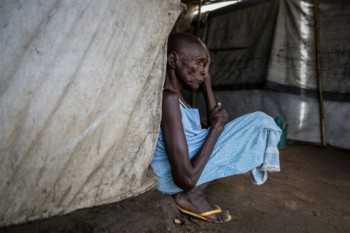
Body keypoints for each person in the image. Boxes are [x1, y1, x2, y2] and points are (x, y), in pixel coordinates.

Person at [151, 33, 282, 223]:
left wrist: (208, 86)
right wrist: (216, 129)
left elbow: (217, 118)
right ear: (173, 60)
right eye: (200, 63)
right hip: (170, 178)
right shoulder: (168, 98)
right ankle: (191, 196)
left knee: (238, 128)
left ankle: (192, 195)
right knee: (260, 124)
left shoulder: (178, 97)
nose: (205, 72)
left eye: (207, 67)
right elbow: (185, 179)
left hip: (183, 169)